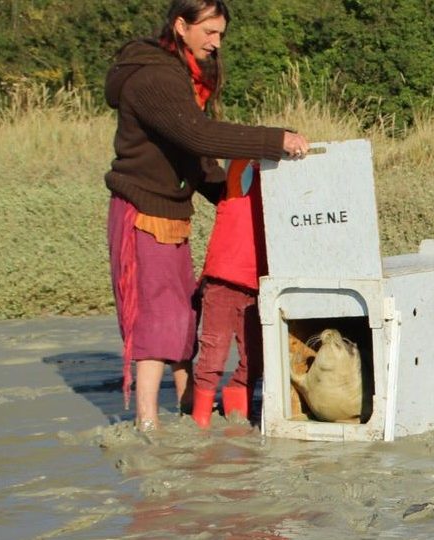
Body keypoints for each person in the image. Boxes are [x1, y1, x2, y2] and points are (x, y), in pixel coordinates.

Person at [105, 0, 310, 432]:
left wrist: (230, 196)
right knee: (158, 316)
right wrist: (274, 140)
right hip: (143, 209)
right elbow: (198, 136)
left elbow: (192, 158)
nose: (217, 43)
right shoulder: (155, 77)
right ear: (181, 26)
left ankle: (185, 409)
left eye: (221, 34)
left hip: (170, 210)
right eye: (209, 32)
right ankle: (146, 421)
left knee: (183, 311)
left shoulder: (181, 75)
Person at [191, 159, 266, 429]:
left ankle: (236, 413)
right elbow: (239, 156)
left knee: (255, 359)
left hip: (259, 284)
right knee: (214, 352)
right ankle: (200, 418)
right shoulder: (242, 172)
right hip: (223, 278)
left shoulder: (279, 185)